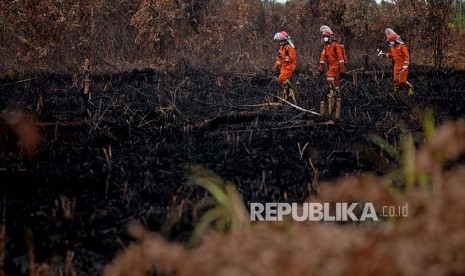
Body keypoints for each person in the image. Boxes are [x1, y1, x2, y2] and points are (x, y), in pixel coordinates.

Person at [319, 25, 345, 119]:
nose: (325, 39)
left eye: (326, 37)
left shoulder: (336, 45)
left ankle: (332, 92)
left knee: (329, 75)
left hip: (336, 64)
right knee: (335, 80)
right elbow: (323, 57)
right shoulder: (326, 47)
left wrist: (342, 67)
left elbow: (340, 57)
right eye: (324, 37)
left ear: (330, 37)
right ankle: (337, 92)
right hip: (331, 65)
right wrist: (321, 66)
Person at [378, 28, 413, 96]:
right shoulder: (392, 48)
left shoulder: (402, 46)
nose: (390, 42)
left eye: (391, 41)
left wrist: (406, 64)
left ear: (395, 40)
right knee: (396, 81)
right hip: (396, 66)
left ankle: (410, 87)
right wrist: (383, 55)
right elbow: (391, 55)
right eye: (390, 41)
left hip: (403, 66)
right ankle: (396, 94)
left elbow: (406, 55)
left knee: (402, 80)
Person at [272, 31, 297, 103]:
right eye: (280, 41)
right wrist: (275, 67)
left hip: (290, 66)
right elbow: (279, 59)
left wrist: (285, 58)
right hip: (284, 67)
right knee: (283, 81)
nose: (281, 42)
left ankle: (291, 90)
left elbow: (292, 58)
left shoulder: (289, 47)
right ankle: (287, 95)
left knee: (281, 79)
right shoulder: (281, 48)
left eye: (282, 41)